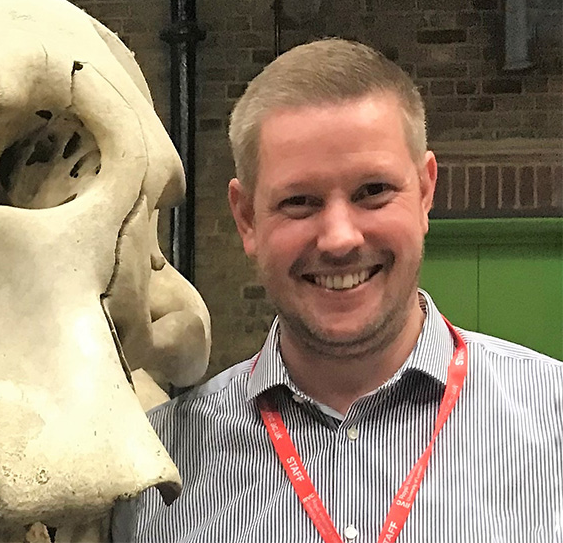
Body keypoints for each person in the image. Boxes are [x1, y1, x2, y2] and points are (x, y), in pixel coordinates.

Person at [112, 39, 563, 542]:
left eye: (373, 192)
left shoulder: (553, 423)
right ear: (246, 219)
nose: (340, 238)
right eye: (300, 201)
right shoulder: (156, 471)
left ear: (426, 191)